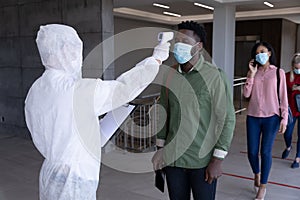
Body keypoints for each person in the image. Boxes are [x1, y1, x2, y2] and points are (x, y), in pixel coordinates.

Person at [24, 24, 170, 200]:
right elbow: (125, 88)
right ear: (63, 50)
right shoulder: (77, 90)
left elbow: (62, 128)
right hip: (76, 176)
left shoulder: (37, 89)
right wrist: (156, 59)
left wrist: (92, 133)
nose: (77, 55)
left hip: (50, 173)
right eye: (74, 48)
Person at [151, 21, 236, 200]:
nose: (179, 46)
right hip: (173, 159)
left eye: (185, 41)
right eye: (177, 41)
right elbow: (163, 110)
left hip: (202, 161)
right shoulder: (169, 74)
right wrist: (159, 148)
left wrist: (217, 159)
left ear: (199, 46)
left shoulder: (215, 76)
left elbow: (226, 119)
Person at [243, 41, 288, 200]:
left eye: (262, 51)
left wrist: (284, 118)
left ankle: (263, 186)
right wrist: (251, 75)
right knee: (252, 152)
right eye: (256, 53)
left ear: (269, 53)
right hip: (253, 117)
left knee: (266, 152)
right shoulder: (253, 72)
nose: (259, 55)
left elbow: (283, 96)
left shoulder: (278, 73)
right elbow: (246, 95)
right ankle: (257, 173)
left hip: (272, 117)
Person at [282, 53, 300, 168]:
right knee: (287, 133)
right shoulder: (287, 76)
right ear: (292, 66)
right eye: (296, 68)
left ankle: (297, 158)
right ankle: (288, 146)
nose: (298, 70)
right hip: (291, 110)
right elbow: (282, 93)